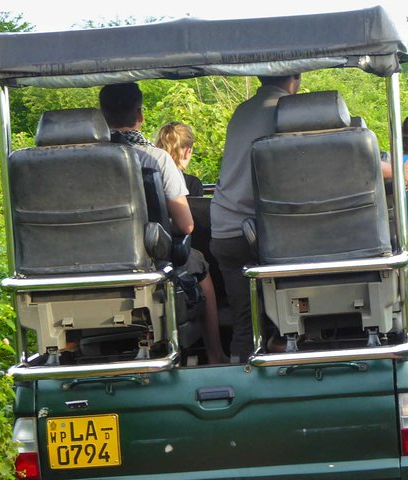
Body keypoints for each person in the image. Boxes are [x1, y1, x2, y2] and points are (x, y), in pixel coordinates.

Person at [209, 74, 302, 363]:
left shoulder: (242, 110)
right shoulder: (290, 111)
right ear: (295, 78)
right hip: (271, 234)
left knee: (244, 324)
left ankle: (240, 374)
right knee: (292, 314)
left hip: (225, 226)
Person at [156, 121, 228, 364]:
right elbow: (186, 226)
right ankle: (215, 352)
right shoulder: (190, 182)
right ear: (187, 151)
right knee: (201, 266)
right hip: (169, 253)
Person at [99, 82, 193, 235]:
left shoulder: (79, 160)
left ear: (101, 116)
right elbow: (186, 226)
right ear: (139, 115)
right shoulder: (157, 159)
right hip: (146, 254)